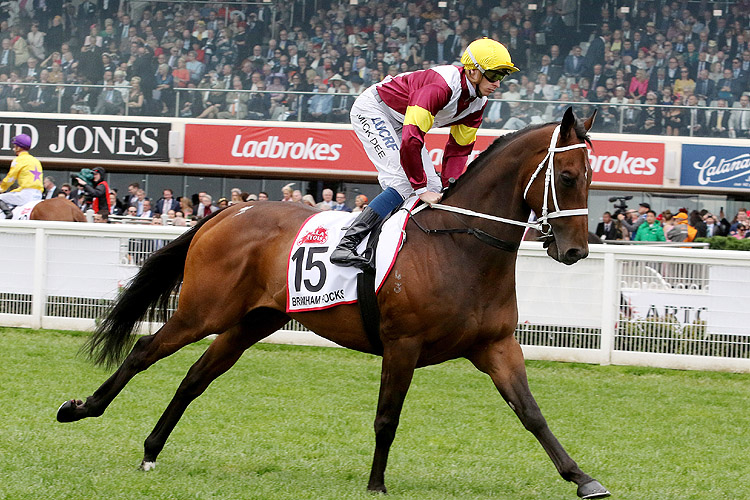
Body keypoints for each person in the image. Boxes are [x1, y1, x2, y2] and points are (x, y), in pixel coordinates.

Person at [330, 38, 518, 268]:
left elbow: (458, 151)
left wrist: (452, 187)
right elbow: (411, 140)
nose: (498, 83)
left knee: (437, 188)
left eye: (502, 77)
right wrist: (420, 188)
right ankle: (347, 244)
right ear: (473, 72)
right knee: (404, 182)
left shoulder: (478, 103)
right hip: (375, 110)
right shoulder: (442, 86)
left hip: (403, 122)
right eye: (494, 75)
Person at [0, 134, 43, 219]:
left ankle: (8, 215)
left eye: (15, 146)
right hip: (38, 195)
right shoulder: (36, 160)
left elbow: (10, 178)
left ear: (19, 147)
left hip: (25, 194)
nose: (14, 148)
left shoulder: (18, 160)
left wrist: (1, 188)